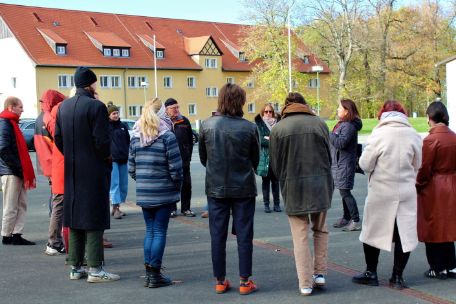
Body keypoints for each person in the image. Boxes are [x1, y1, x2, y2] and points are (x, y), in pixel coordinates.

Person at [55, 66, 119, 282]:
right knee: (94, 216)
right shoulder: (96, 107)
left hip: (72, 169)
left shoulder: (63, 106)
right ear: (90, 84)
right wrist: (106, 158)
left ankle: (75, 266)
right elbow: (101, 141)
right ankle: (95, 269)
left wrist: (73, 155)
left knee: (74, 216)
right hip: (93, 168)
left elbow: (58, 139)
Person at [352, 100, 422, 290]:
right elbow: (418, 164)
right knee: (403, 235)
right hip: (406, 190)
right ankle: (397, 276)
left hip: (382, 190)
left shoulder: (379, 133)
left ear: (382, 114)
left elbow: (366, 164)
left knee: (372, 231)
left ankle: (371, 272)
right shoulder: (413, 134)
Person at [269, 92, 333, 296]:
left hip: (293, 186)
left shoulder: (278, 128)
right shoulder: (320, 123)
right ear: (304, 104)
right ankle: (320, 273)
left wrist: (284, 179)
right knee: (321, 229)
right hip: (321, 183)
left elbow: (275, 164)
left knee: (300, 235)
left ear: (286, 106)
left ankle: (305, 282)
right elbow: (328, 155)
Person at [199, 83, 260, 295]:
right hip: (243, 187)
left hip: (216, 187)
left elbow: (204, 158)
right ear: (241, 102)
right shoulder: (249, 127)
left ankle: (220, 280)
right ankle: (245, 281)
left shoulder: (207, 125)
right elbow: (255, 159)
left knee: (217, 235)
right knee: (244, 235)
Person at [129, 100, 183, 288]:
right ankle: (155, 274)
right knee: (159, 231)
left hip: (145, 192)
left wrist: (144, 181)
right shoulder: (166, 136)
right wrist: (176, 186)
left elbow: (131, 167)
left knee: (150, 231)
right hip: (163, 191)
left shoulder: (136, 136)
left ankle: (149, 272)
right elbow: (176, 168)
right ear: (161, 113)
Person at [416, 101, 456, 279]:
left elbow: (425, 168)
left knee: (431, 226)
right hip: (452, 183)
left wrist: (418, 184)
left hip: (435, 186)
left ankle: (436, 267)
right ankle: (452, 265)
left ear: (430, 117)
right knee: (448, 226)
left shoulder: (431, 140)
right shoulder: (454, 137)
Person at [34, 89, 66, 254]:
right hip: (56, 163)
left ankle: (55, 239)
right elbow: (60, 138)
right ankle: (54, 241)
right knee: (58, 203)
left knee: (55, 201)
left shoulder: (40, 117)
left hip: (46, 163)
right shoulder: (50, 117)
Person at [0, 96, 36, 245]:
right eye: (20, 107)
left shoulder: (11, 123)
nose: (23, 110)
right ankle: (6, 235)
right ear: (11, 107)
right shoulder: (5, 124)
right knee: (10, 205)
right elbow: (3, 149)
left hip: (16, 170)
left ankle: (16, 234)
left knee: (21, 204)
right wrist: (18, 167)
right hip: (10, 171)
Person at [330, 99, 363, 231]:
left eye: (340, 108)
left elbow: (340, 143)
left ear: (347, 111)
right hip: (340, 163)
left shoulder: (348, 126)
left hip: (345, 164)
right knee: (344, 191)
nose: (338, 110)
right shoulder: (343, 124)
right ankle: (346, 217)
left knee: (345, 192)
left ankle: (355, 220)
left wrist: (328, 134)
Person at [164, 98, 195, 218]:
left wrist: (189, 156)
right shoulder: (162, 122)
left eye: (178, 107)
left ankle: (186, 208)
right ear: (166, 110)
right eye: (173, 108)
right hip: (169, 160)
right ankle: (172, 209)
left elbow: (190, 141)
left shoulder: (184, 121)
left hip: (184, 159)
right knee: (171, 185)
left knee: (186, 184)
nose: (177, 110)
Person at [254, 103, 281, 213]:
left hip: (276, 158)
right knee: (265, 183)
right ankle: (266, 205)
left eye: (270, 111)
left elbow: (280, 139)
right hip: (265, 158)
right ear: (262, 112)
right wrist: (271, 139)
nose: (268, 113)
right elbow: (261, 141)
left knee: (275, 183)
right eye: (266, 111)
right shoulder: (259, 124)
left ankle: (277, 204)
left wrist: (270, 138)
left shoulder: (278, 124)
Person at [107, 103, 130, 219]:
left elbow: (127, 141)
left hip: (123, 159)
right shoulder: (106, 127)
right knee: (114, 184)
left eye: (117, 113)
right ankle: (115, 208)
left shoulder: (123, 126)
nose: (116, 115)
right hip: (113, 160)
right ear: (109, 115)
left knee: (123, 185)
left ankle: (117, 206)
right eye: (113, 113)